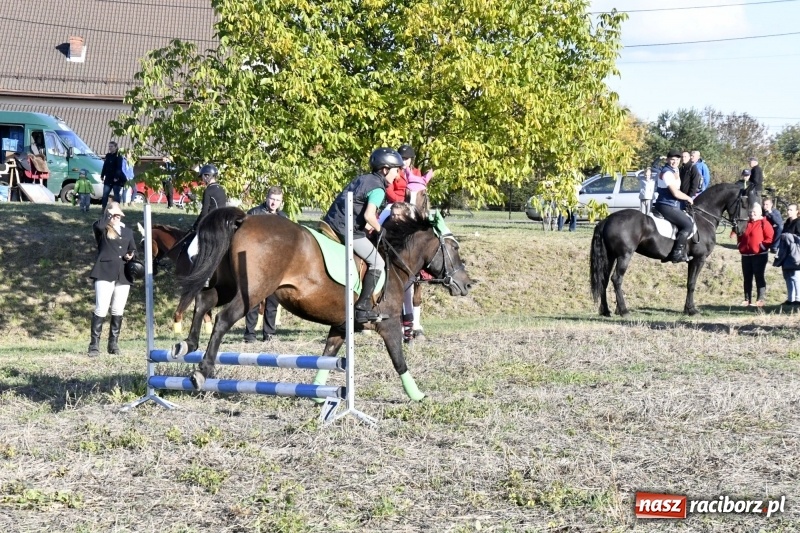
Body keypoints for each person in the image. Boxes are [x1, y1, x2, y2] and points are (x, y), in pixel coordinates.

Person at [323, 147, 403, 323]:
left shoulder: (362, 179)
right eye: (396, 170)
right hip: (346, 229)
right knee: (377, 262)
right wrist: (382, 230)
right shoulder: (378, 189)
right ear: (385, 169)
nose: (397, 175)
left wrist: (367, 227)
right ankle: (362, 307)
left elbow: (357, 209)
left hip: (332, 222)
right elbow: (368, 215)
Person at [88, 202, 136, 356]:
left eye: (118, 215)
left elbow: (132, 248)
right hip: (104, 271)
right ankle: (94, 344)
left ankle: (113, 343)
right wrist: (108, 214)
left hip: (123, 273)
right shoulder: (101, 228)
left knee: (118, 309)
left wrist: (131, 254)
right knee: (101, 308)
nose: (116, 217)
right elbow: (99, 226)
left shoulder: (127, 231)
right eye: (113, 215)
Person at [243, 186, 287, 343]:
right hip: (256, 264)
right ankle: (249, 334)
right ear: (266, 198)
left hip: (275, 265)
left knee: (272, 302)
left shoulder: (283, 217)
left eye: (277, 200)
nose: (274, 203)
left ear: (281, 201)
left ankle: (269, 334)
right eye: (272, 199)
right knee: (253, 301)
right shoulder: (254, 214)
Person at [653, 149, 695, 263]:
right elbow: (675, 193)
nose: (675, 161)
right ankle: (677, 254)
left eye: (677, 159)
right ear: (667, 160)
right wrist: (688, 198)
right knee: (688, 225)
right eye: (672, 159)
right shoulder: (667, 173)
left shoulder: (674, 170)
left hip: (673, 204)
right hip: (666, 204)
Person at [187, 164, 227, 260]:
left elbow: (204, 212)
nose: (202, 180)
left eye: (202, 177)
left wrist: (195, 226)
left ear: (207, 176)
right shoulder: (221, 189)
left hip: (211, 226)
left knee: (191, 251)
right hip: (223, 224)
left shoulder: (208, 190)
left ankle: (201, 273)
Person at [737, 202, 773, 307]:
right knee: (747, 278)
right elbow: (739, 235)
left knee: (759, 276)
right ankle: (747, 299)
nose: (752, 214)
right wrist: (740, 245)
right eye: (750, 212)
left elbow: (769, 237)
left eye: (754, 212)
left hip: (759, 255)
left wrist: (761, 247)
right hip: (746, 255)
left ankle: (760, 300)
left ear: (759, 212)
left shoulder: (764, 223)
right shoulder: (746, 223)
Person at [773, 204, 800, 305]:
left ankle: (798, 299)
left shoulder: (798, 222)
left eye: (791, 210)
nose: (788, 212)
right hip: (785, 253)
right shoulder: (787, 223)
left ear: (797, 211)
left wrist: (790, 237)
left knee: (795, 276)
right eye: (788, 210)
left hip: (795, 254)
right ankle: (790, 298)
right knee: (787, 276)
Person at [100, 141, 125, 212]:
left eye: (111, 146)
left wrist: (116, 177)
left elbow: (119, 167)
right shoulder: (108, 155)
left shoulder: (118, 156)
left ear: (115, 147)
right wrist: (102, 175)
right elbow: (105, 166)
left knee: (116, 194)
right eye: (109, 146)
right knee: (105, 194)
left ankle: (117, 209)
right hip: (108, 178)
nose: (110, 148)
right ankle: (103, 209)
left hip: (116, 179)